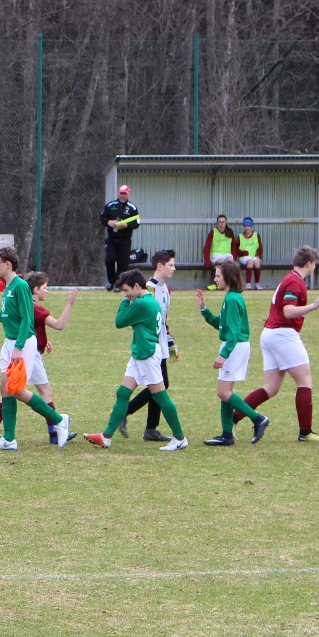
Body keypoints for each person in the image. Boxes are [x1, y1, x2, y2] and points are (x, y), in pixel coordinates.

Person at [83, 270, 187, 451]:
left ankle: (179, 438)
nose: (125, 295)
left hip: (146, 354)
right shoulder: (149, 301)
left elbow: (119, 321)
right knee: (123, 393)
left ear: (137, 286)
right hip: (140, 352)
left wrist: (125, 302)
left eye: (126, 291)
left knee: (160, 395)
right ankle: (106, 436)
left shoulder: (141, 304)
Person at [235, 245, 319, 442]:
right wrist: (312, 306)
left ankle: (233, 418)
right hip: (283, 334)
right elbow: (288, 311)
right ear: (309, 264)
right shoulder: (295, 282)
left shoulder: (290, 278)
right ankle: (306, 432)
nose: (315, 268)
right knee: (305, 382)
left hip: (270, 334)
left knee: (271, 387)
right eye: (315, 265)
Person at [0, 246, 72, 451]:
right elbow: (7, 319)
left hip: (22, 344)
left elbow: (26, 319)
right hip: (10, 342)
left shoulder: (20, 285)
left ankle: (58, 419)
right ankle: (9, 439)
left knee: (17, 389)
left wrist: (18, 347)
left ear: (7, 264)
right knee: (5, 388)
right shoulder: (8, 287)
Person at [196, 258, 269, 447]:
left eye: (218, 275)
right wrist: (204, 310)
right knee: (226, 391)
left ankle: (257, 418)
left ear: (228, 277)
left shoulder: (232, 299)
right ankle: (227, 434)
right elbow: (221, 325)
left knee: (223, 391)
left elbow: (234, 333)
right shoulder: (232, 298)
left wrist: (224, 354)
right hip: (234, 346)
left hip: (235, 348)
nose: (215, 279)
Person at [124, 249, 180, 441]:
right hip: (150, 347)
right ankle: (127, 413)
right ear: (159, 266)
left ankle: (151, 429)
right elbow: (135, 316)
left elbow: (163, 320)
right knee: (159, 385)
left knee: (160, 384)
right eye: (171, 264)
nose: (174, 268)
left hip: (162, 346)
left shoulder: (166, 290)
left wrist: (171, 343)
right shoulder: (148, 289)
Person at [102, 184, 140, 289]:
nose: (122, 195)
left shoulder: (132, 208)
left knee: (122, 263)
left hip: (125, 240)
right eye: (121, 193)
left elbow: (136, 223)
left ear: (128, 194)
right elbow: (103, 219)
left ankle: (118, 284)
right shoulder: (110, 205)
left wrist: (126, 225)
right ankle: (111, 281)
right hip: (112, 239)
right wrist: (109, 222)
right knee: (109, 259)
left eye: (125, 193)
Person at [202, 214, 236, 287]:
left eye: (223, 222)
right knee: (221, 261)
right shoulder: (213, 232)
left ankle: (230, 282)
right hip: (216, 254)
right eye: (220, 222)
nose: (221, 224)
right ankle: (216, 283)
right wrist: (207, 261)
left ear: (226, 223)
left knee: (230, 260)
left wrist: (235, 258)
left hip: (227, 254)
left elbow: (234, 246)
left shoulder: (230, 232)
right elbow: (207, 247)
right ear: (217, 223)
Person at [233, 217, 264, 288]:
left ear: (251, 226)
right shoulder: (240, 236)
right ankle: (248, 284)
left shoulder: (256, 235)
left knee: (257, 262)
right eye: (245, 226)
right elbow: (236, 249)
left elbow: (260, 247)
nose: (246, 228)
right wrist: (243, 253)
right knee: (250, 262)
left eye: (248, 226)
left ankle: (257, 283)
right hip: (244, 257)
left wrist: (258, 255)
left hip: (254, 256)